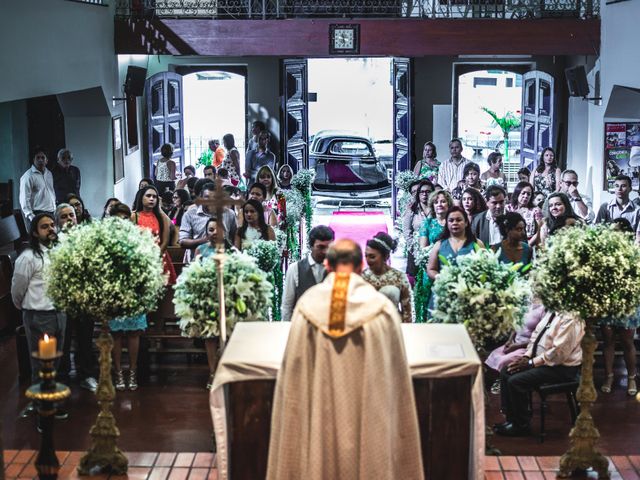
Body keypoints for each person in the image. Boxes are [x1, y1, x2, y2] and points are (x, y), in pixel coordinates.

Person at [267, 239, 423, 480]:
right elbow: (396, 375)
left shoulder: (307, 306)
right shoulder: (381, 310)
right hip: (369, 411)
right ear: (361, 266)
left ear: (327, 265)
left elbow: (294, 377)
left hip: (319, 410)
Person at [11, 213, 68, 418]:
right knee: (40, 365)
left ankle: (51, 402)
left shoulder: (59, 251)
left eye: (52, 225)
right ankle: (40, 407)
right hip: (38, 315)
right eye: (45, 227)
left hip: (59, 313)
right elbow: (18, 289)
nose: (51, 229)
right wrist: (26, 308)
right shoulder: (28, 257)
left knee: (56, 363)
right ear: (35, 233)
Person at [494, 311, 583, 437]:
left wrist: (531, 363)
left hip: (561, 368)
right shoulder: (552, 313)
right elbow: (535, 338)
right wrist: (526, 356)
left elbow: (558, 353)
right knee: (506, 371)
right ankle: (511, 419)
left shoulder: (570, 319)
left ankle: (521, 425)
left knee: (516, 381)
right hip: (543, 361)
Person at [108, 202, 147, 391]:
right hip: (114, 291)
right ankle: (118, 372)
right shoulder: (106, 241)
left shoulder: (138, 238)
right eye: (118, 218)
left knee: (133, 333)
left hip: (134, 290)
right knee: (116, 333)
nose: (122, 221)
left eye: (125, 218)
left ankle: (132, 371)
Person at [598, 217, 639, 396]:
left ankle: (631, 377)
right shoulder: (605, 253)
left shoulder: (634, 253)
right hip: (608, 302)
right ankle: (609, 376)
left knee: (627, 342)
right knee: (608, 341)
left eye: (618, 232)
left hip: (627, 302)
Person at [427, 207, 484, 317]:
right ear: (447, 224)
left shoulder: (477, 244)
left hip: (468, 295)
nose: (455, 223)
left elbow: (485, 268)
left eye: (459, 220)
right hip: (443, 294)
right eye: (451, 220)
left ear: (466, 222)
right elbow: (431, 269)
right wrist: (441, 277)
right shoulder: (439, 244)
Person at [486, 302, 546, 393]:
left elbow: (540, 337)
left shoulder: (543, 309)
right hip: (514, 343)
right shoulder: (525, 303)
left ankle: (503, 382)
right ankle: (499, 380)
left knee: (503, 361)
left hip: (527, 347)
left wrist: (517, 346)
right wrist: (510, 340)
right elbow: (516, 324)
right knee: (494, 355)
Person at [281, 225, 335, 322]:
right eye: (321, 247)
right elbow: (287, 305)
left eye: (329, 247)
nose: (325, 252)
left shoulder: (337, 269)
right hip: (303, 327)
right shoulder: (295, 269)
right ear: (311, 246)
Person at [362, 232, 412, 322]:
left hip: (393, 325)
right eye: (366, 256)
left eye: (372, 257)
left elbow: (407, 311)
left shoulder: (399, 277)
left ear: (386, 256)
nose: (368, 260)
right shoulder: (361, 277)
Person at [179, 182, 237, 260]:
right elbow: (183, 242)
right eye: (207, 197)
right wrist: (206, 240)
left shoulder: (229, 214)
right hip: (197, 261)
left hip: (224, 261)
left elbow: (234, 238)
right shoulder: (190, 214)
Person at [402, 180, 434, 282]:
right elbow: (407, 232)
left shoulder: (437, 209)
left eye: (428, 191)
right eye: (422, 192)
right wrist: (414, 250)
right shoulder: (412, 210)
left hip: (433, 250)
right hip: (415, 251)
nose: (425, 194)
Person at [595, 175, 640, 240]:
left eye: (623, 186)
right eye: (617, 186)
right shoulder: (605, 207)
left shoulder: (637, 210)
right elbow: (598, 230)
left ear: (630, 189)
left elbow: (638, 236)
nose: (619, 189)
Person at [19, 149, 56, 226]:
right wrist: (31, 216)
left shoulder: (49, 173)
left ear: (47, 160)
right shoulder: (28, 176)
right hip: (37, 213)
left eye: (43, 158)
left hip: (51, 212)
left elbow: (52, 192)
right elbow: (24, 199)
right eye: (38, 158)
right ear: (33, 160)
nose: (40, 160)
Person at [506, 181, 542, 245]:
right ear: (517, 193)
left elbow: (539, 231)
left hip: (530, 244)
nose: (525, 196)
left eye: (528, 194)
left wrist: (528, 245)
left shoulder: (535, 210)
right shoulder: (508, 208)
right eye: (523, 193)